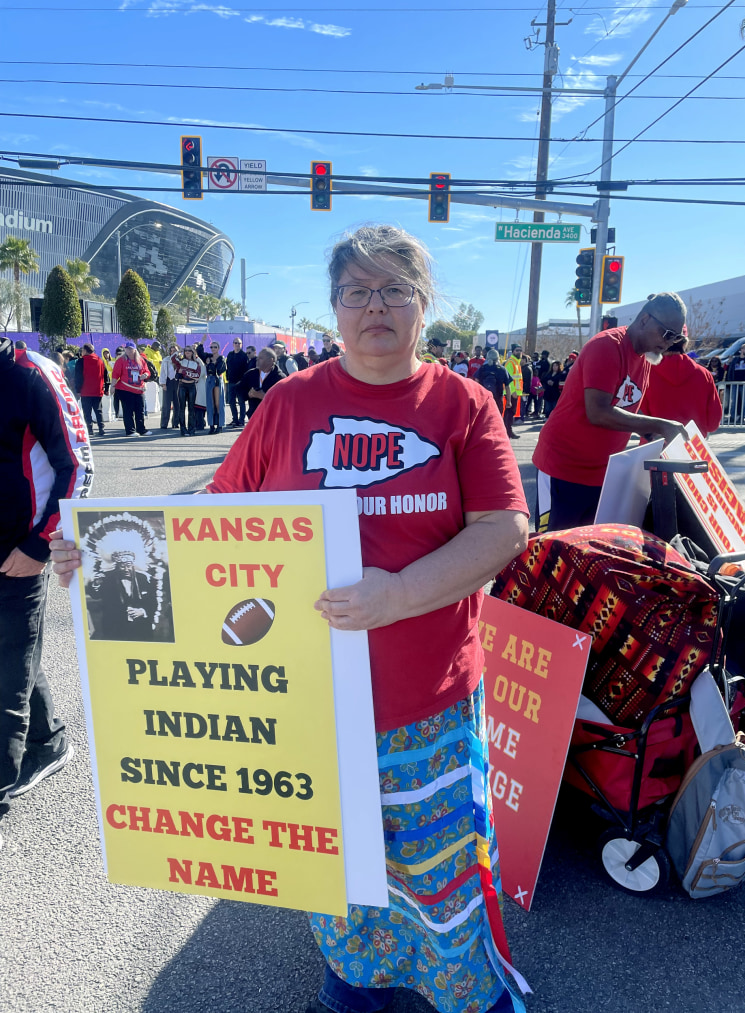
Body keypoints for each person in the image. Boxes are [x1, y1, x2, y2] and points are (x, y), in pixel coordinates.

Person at [50, 224, 531, 1013]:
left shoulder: (462, 404)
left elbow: (504, 529)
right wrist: (100, 553)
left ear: (423, 304)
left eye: (394, 290)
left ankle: (467, 997)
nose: (375, 306)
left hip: (427, 706)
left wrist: (398, 593)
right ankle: (355, 991)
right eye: (356, 291)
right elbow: (214, 522)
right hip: (302, 703)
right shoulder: (289, 403)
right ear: (334, 307)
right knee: (336, 870)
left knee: (441, 872)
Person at [1, 338, 92, 846]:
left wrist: (40, 545)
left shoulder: (31, 371)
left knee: (7, 667)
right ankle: (48, 741)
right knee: (18, 657)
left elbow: (77, 464)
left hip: (16, 556)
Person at [532, 292, 691, 532]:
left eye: (677, 336)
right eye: (667, 333)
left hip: (602, 475)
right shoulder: (607, 346)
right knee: (552, 553)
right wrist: (660, 425)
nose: (670, 342)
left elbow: (628, 414)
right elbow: (597, 411)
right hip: (563, 468)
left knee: (586, 553)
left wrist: (658, 440)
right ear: (645, 319)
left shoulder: (645, 359)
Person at [639, 336, 723, 437]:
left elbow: (641, 417)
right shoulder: (704, 374)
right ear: (684, 344)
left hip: (656, 444)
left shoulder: (646, 373)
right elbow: (712, 424)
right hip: (693, 444)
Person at [111, 342, 152, 437]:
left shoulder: (140, 360)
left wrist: (145, 375)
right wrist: (113, 386)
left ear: (135, 349)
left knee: (140, 410)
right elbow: (115, 374)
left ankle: (141, 429)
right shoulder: (121, 360)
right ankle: (130, 430)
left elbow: (147, 370)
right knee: (128, 411)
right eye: (127, 349)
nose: (128, 350)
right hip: (125, 389)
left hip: (139, 389)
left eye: (130, 349)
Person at [474, 349, 515, 436]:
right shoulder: (502, 369)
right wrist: (509, 401)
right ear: (497, 358)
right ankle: (496, 435)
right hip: (497, 399)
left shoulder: (482, 368)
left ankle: (484, 435)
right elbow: (507, 387)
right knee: (497, 418)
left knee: (484, 418)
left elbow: (476, 383)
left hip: (484, 400)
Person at [237, 345, 284, 419]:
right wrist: (249, 394)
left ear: (271, 360)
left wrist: (264, 396)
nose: (257, 360)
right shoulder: (251, 374)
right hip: (254, 417)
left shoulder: (280, 378)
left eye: (261, 358)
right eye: (258, 358)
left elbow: (284, 400)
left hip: (273, 418)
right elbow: (239, 390)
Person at [74, 342, 107, 437]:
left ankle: (90, 429)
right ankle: (101, 428)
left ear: (85, 351)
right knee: (98, 410)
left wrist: (78, 390)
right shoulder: (100, 360)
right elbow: (105, 375)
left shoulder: (81, 361)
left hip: (86, 391)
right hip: (98, 390)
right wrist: (106, 388)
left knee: (87, 412)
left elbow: (78, 377)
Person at [172, 345, 202, 437]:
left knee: (191, 408)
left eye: (189, 350)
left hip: (192, 386)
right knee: (181, 408)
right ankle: (183, 429)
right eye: (186, 350)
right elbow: (172, 358)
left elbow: (197, 376)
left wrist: (184, 372)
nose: (187, 352)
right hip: (182, 386)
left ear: (193, 352)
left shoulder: (196, 363)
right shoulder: (181, 361)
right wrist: (180, 350)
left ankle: (191, 429)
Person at [725, 342, 745, 425]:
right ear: (741, 350)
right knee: (734, 401)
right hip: (735, 382)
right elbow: (730, 370)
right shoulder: (735, 359)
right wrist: (730, 380)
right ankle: (733, 417)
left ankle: (742, 417)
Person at [225, 337, 248, 427]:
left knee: (241, 402)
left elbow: (246, 369)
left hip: (241, 382)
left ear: (241, 344)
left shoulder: (244, 355)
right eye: (235, 343)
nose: (237, 344)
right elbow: (228, 367)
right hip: (231, 381)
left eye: (239, 343)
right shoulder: (230, 354)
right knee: (231, 401)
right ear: (233, 344)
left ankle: (241, 420)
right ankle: (234, 419)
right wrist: (227, 377)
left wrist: (244, 381)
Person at [205, 341, 227, 434]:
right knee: (210, 403)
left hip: (218, 379)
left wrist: (212, 363)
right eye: (211, 347)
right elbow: (199, 351)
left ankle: (220, 425)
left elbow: (219, 369)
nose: (213, 349)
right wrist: (202, 342)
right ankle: (211, 425)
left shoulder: (221, 358)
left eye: (215, 347)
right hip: (209, 379)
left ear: (218, 348)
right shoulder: (208, 357)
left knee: (218, 403)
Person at [159, 343, 180, 430]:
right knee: (166, 405)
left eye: (175, 350)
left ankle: (175, 423)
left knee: (177, 404)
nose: (173, 352)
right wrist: (163, 384)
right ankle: (164, 423)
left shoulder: (180, 360)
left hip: (178, 382)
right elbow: (163, 372)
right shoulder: (166, 360)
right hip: (168, 382)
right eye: (171, 350)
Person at [504, 346, 523, 430]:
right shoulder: (510, 363)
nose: (519, 352)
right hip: (511, 393)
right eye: (517, 350)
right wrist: (513, 391)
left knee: (512, 412)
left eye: (520, 350)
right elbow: (509, 379)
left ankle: (509, 430)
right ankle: (507, 431)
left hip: (516, 393)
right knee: (509, 412)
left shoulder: (516, 363)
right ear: (513, 352)